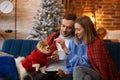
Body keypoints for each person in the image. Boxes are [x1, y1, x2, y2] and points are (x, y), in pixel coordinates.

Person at [55, 16, 119, 80]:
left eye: (78, 29)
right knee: (87, 77)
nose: (75, 32)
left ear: (86, 29)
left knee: (79, 69)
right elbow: (70, 65)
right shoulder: (73, 41)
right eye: (75, 29)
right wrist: (66, 72)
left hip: (95, 72)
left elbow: (87, 64)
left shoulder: (96, 44)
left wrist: (68, 51)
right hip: (80, 74)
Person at [32, 13, 77, 80]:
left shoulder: (76, 41)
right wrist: (50, 58)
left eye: (68, 28)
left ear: (73, 28)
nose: (64, 29)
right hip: (49, 71)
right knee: (38, 78)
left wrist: (66, 50)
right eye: (63, 26)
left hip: (65, 72)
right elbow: (38, 56)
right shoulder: (52, 38)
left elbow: (77, 61)